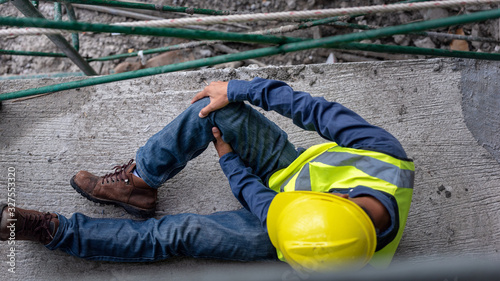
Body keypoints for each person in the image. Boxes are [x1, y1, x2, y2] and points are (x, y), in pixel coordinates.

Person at [0, 78, 414, 272]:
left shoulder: (323, 253)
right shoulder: (384, 157)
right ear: (340, 198)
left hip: (282, 221)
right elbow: (315, 109)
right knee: (216, 109)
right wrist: (239, 90)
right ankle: (139, 183)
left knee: (179, 234)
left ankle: (54, 231)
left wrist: (230, 164)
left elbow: (265, 208)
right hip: (286, 173)